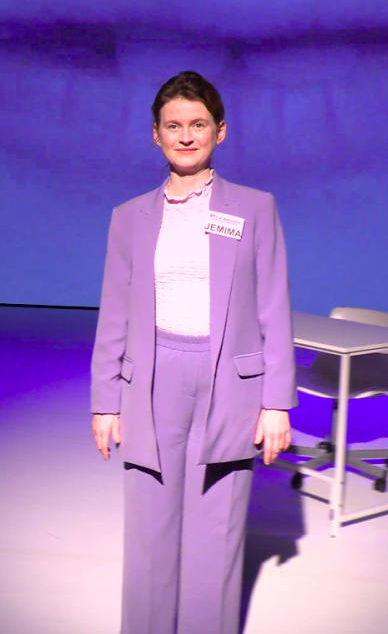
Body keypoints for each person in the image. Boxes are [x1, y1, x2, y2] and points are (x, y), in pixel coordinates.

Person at [90, 70, 297, 634]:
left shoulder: (255, 208)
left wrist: (276, 402)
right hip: (152, 379)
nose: (186, 136)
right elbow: (114, 312)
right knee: (149, 534)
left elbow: (273, 306)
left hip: (229, 381)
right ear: (155, 134)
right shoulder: (129, 217)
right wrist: (105, 401)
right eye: (173, 125)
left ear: (220, 131)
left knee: (217, 532)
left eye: (198, 124)